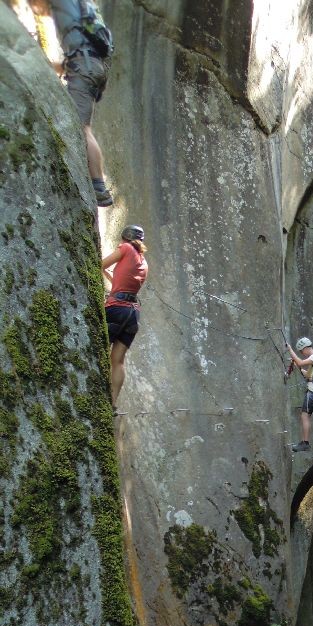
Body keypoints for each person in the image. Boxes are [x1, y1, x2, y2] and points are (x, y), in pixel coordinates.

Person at [29, 0, 114, 207]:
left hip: (84, 66)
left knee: (81, 127)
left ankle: (98, 187)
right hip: (91, 66)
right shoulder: (83, 9)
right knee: (81, 126)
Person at [101, 225, 148, 411]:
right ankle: (112, 402)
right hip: (133, 313)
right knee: (118, 360)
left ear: (125, 238)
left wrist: (103, 269)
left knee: (100, 347)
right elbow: (122, 284)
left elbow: (101, 263)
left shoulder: (125, 249)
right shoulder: (143, 261)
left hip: (117, 308)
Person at [286, 336, 313, 452]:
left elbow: (301, 362)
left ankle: (305, 443)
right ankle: (304, 442)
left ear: (305, 347)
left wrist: (290, 350)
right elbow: (308, 375)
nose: (303, 353)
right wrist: (297, 365)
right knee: (305, 415)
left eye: (302, 351)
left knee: (304, 415)